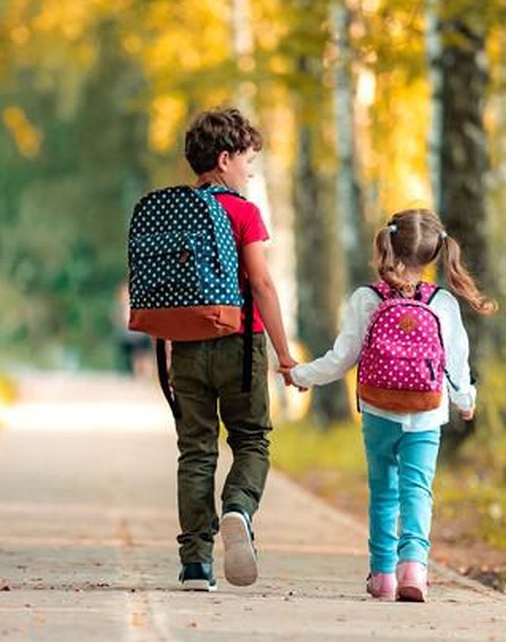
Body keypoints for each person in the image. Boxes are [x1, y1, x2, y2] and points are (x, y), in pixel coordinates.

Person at [283, 208, 497, 602]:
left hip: (379, 409)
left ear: (390, 244)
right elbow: (456, 363)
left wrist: (301, 375)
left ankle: (382, 574)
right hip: (427, 412)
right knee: (417, 489)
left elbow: (342, 356)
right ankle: (413, 566)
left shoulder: (367, 298)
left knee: (383, 491)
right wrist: (465, 401)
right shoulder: (442, 302)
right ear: (436, 254)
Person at [172, 107, 296, 591]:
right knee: (250, 439)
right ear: (224, 159)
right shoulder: (243, 211)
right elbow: (262, 284)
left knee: (196, 450)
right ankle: (239, 509)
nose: (250, 169)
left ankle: (196, 564)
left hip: (185, 345)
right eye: (247, 160)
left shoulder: (177, 212)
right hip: (240, 346)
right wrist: (285, 355)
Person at [113, 281, 153, 378]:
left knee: (142, 353)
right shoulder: (126, 305)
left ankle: (144, 373)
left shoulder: (135, 303)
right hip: (134, 334)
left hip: (138, 333)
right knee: (139, 353)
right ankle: (141, 374)